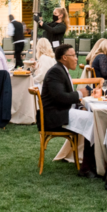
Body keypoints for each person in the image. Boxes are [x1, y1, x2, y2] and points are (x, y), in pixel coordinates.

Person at [41, 44, 95, 176]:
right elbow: (60, 98)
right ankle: (87, 167)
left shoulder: (61, 70)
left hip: (62, 111)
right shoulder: (56, 72)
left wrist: (80, 105)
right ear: (64, 57)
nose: (77, 58)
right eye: (74, 55)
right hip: (55, 116)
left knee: (92, 117)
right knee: (92, 120)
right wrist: (81, 93)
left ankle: (92, 163)